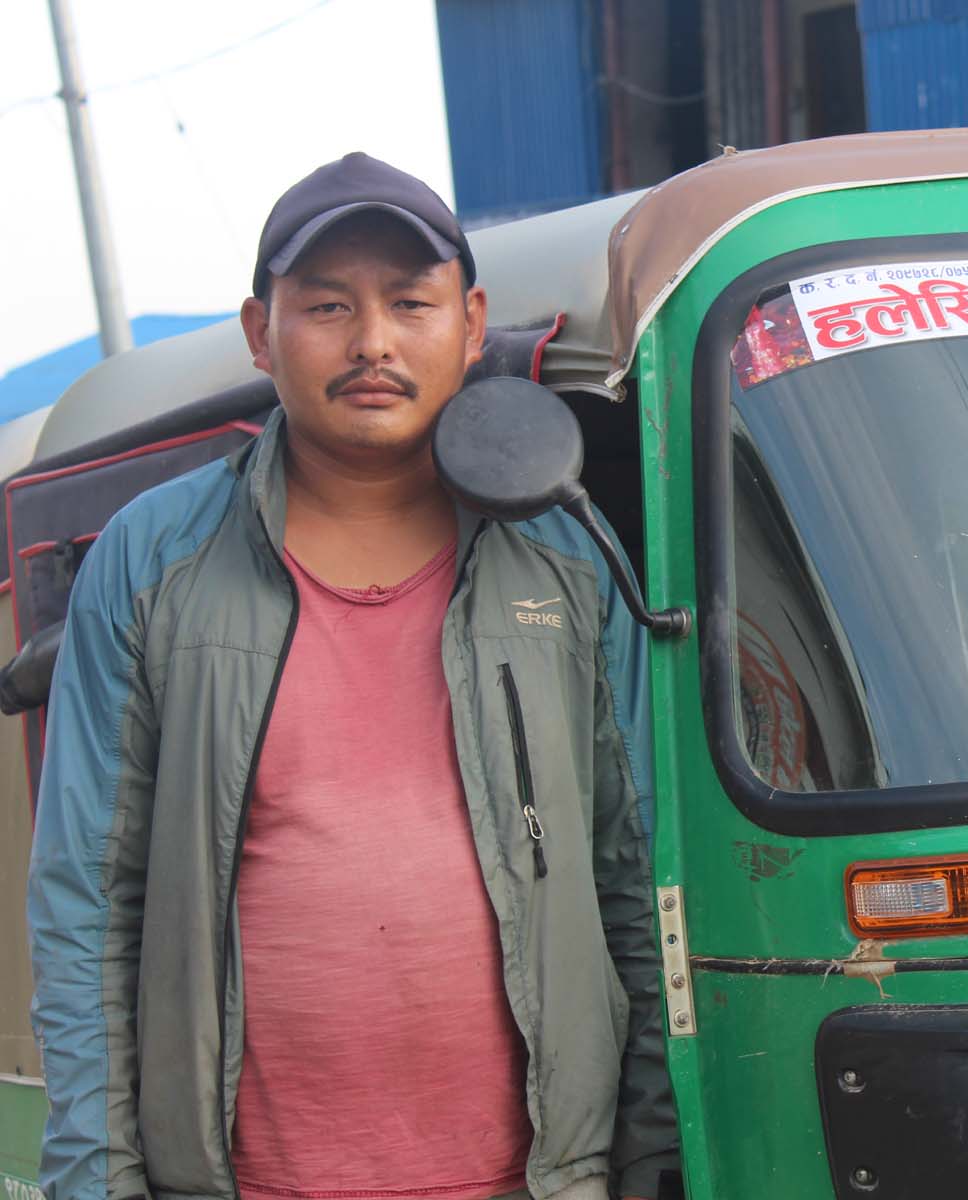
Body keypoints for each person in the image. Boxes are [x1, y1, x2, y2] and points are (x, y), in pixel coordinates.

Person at [27, 153, 677, 1200]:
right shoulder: (152, 562)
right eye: (327, 305)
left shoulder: (563, 554)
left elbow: (639, 872)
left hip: (540, 1177)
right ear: (260, 332)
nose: (372, 341)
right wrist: (96, 1181)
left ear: (470, 325)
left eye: (409, 303)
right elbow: (88, 904)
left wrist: (655, 1158)